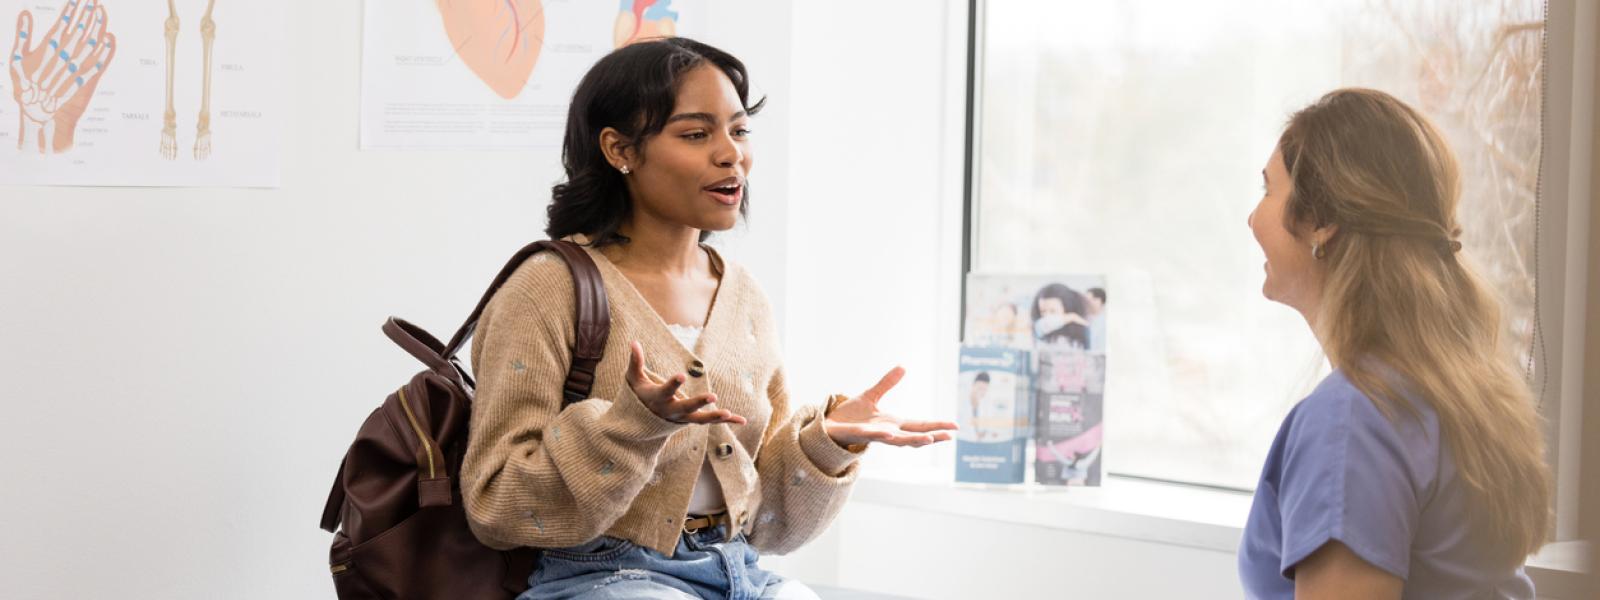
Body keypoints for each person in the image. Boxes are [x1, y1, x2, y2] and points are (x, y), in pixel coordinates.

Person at [458, 38, 958, 600]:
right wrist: (632, 425)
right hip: (599, 575)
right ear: (620, 150)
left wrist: (826, 443)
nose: (731, 155)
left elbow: (767, 525)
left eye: (740, 131)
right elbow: (496, 505)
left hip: (738, 568)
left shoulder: (743, 296)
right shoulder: (548, 286)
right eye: (696, 134)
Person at [1237, 88, 1552, 599]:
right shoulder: (1452, 388)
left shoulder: (1352, 419)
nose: (1253, 218)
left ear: (1321, 222)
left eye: (1268, 190)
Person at [1030, 283, 1089, 348]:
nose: (1047, 316)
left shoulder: (1080, 332)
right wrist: (1071, 317)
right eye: (1043, 311)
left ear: (1067, 308)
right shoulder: (1039, 328)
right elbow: (1043, 325)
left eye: (1053, 311)